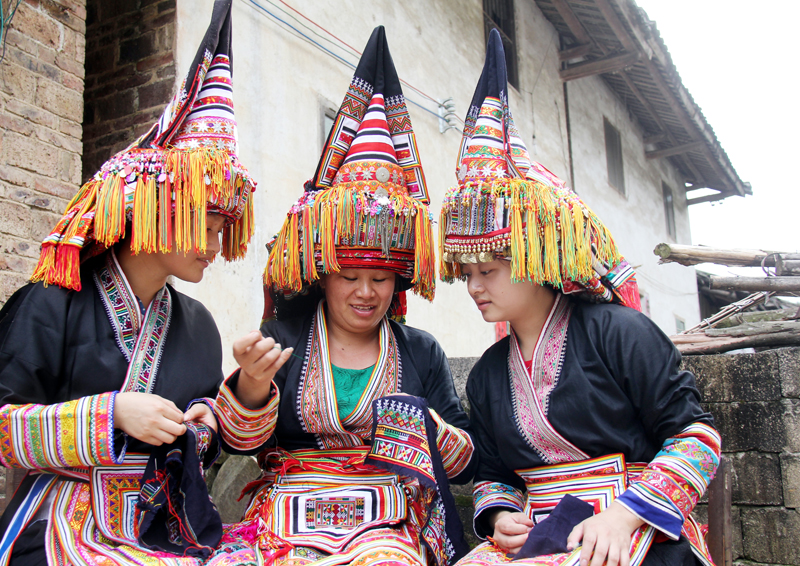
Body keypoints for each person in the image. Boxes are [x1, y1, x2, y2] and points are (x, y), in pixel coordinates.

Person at [439, 30, 720, 566]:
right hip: (543, 538)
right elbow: (495, 474)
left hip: (638, 528)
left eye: (490, 269)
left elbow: (696, 437)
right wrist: (501, 518)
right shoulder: (488, 376)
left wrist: (625, 513)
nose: (474, 286)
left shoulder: (620, 333)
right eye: (467, 272)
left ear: (536, 259)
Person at [0, 1, 260, 564]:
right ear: (155, 209)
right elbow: (0, 431)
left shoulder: (198, 325)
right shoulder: (53, 301)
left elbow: (206, 448)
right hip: (61, 521)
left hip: (159, 521)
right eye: (204, 225)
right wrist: (111, 415)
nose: (214, 246)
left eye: (221, 229)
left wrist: (204, 423)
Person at [214, 27, 476, 566]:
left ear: (398, 282)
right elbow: (241, 446)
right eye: (349, 277)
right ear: (323, 277)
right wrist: (251, 387)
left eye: (380, 280)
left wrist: (423, 427)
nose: (365, 292)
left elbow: (464, 461)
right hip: (287, 511)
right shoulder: (283, 338)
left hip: (390, 517)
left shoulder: (419, 351)